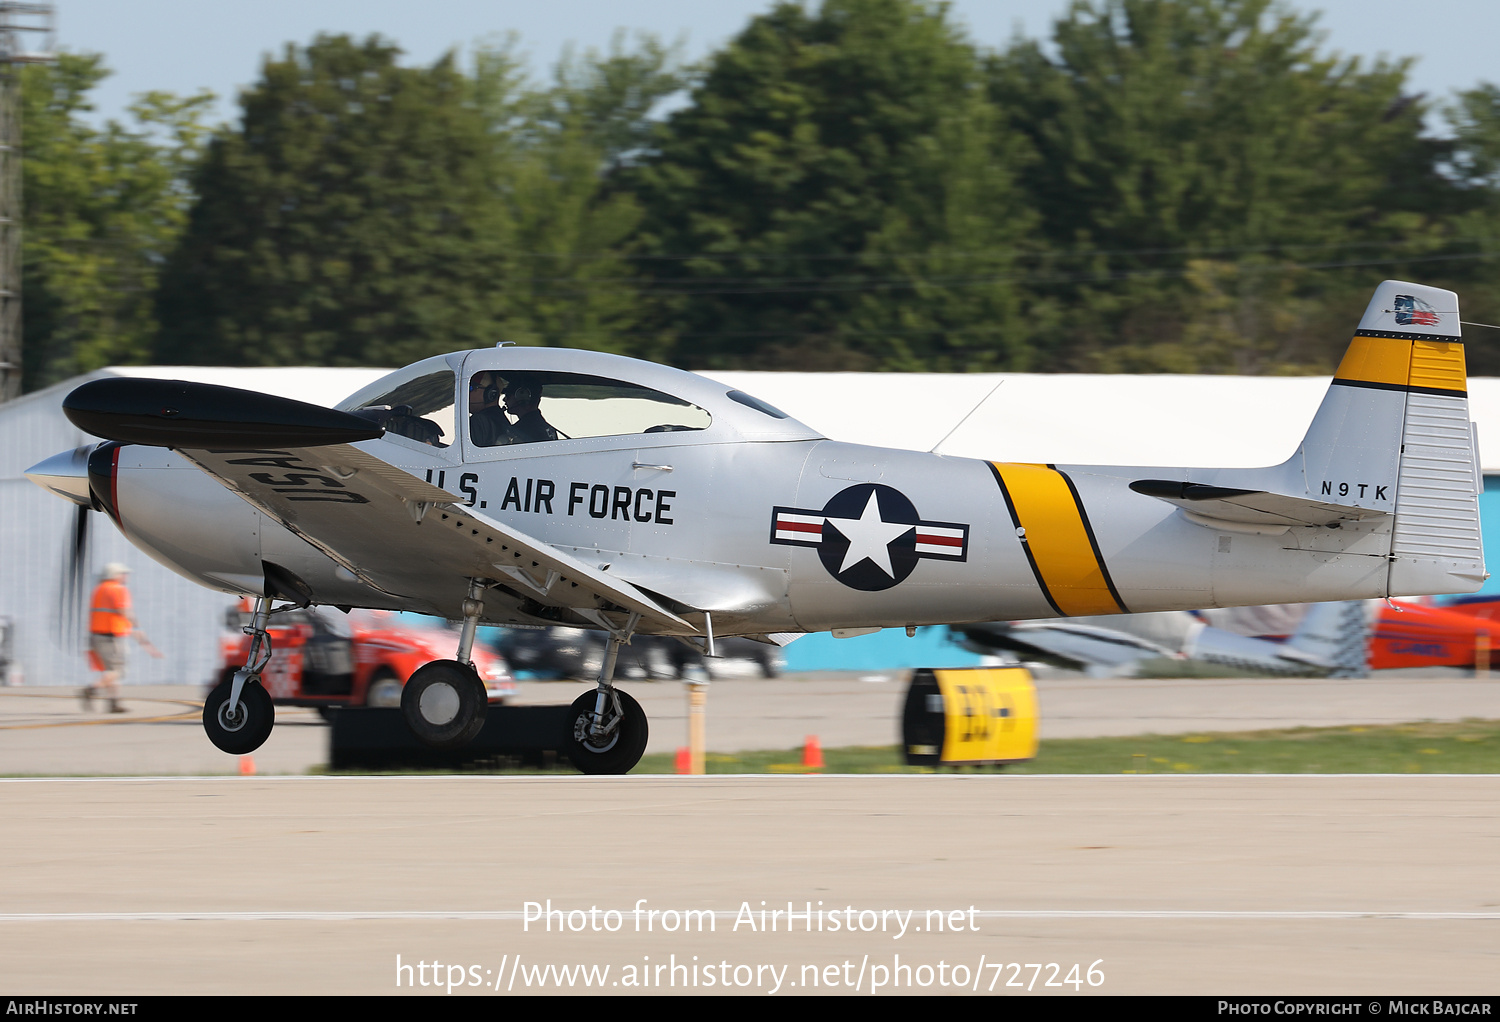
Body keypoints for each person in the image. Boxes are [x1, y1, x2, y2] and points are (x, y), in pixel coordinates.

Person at [85, 563, 160, 713]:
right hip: (111, 636)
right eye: (123, 574)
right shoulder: (117, 589)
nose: (125, 577)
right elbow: (125, 611)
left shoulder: (99, 589)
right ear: (115, 575)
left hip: (96, 634)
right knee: (117, 671)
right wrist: (137, 629)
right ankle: (92, 689)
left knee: (110, 670)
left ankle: (113, 703)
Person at [501, 378, 559, 444]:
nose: (504, 399)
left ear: (521, 397)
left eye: (507, 395)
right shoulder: (548, 429)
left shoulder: (518, 433)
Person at [468, 371, 512, 447]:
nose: (466, 394)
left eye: (471, 388)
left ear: (490, 393)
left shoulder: (479, 420)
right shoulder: (501, 419)